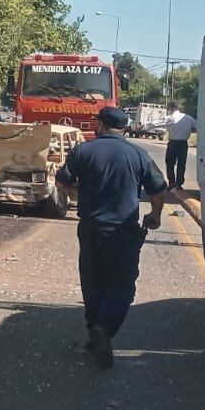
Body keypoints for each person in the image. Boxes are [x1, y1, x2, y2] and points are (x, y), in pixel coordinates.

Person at [54, 106, 168, 368]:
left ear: (102, 126)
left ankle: (95, 330)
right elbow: (158, 190)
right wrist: (155, 216)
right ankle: (104, 330)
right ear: (123, 128)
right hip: (123, 232)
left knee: (93, 282)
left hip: (91, 228)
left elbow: (61, 182)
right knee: (121, 285)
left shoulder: (83, 150)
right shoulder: (138, 154)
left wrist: (80, 191)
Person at [162, 100, 197, 190]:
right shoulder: (188, 118)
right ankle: (179, 184)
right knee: (181, 164)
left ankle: (172, 182)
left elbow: (156, 123)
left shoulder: (168, 118)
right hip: (183, 144)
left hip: (173, 143)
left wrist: (143, 126)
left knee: (170, 163)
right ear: (178, 107)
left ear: (170, 108)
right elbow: (198, 126)